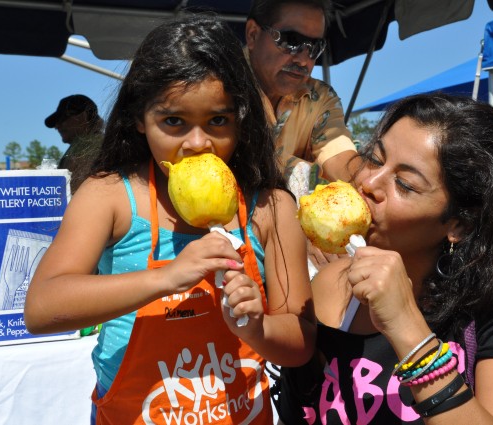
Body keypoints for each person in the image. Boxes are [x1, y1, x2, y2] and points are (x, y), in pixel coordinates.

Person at [25, 14, 315, 425]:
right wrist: (165, 278)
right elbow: (41, 308)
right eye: (173, 122)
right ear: (140, 119)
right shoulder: (110, 197)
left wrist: (258, 329)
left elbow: (301, 343)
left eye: (218, 121)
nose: (197, 144)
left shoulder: (272, 208)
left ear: (241, 119)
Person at [275, 93, 493, 424]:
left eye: (405, 184)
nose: (367, 183)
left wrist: (406, 327)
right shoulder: (332, 287)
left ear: (459, 224)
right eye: (376, 160)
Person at [245, 0, 358, 196]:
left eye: (315, 47)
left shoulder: (320, 98)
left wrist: (372, 182)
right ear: (253, 35)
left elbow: (339, 157)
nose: (304, 60)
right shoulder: (216, 85)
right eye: (291, 41)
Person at [45, 94, 104, 192]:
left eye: (62, 119)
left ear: (83, 116)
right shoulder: (96, 144)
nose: (57, 126)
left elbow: (76, 191)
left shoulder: (90, 147)